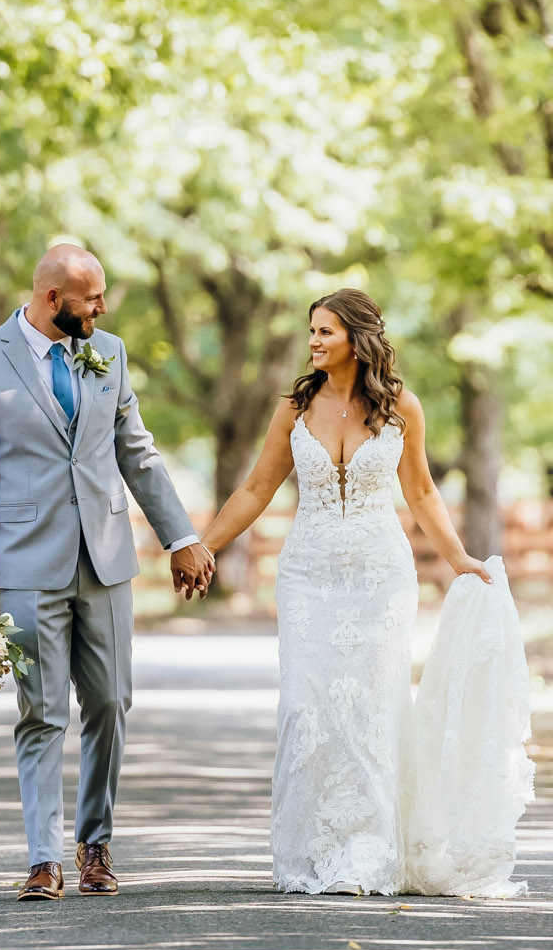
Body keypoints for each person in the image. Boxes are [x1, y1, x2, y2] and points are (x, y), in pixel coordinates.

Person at [0, 244, 216, 901]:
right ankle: (41, 857)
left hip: (107, 556)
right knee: (42, 710)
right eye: (93, 298)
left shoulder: (107, 352)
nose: (104, 308)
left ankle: (96, 842)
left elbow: (136, 451)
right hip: (29, 562)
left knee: (111, 701)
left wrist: (181, 536)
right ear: (54, 300)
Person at [196, 288, 500, 895]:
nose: (313, 342)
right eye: (311, 331)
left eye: (325, 332)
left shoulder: (401, 408)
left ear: (358, 340)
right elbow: (257, 489)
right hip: (307, 577)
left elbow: (421, 493)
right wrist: (206, 545)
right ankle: (314, 848)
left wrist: (458, 557)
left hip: (380, 578)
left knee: (374, 706)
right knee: (307, 708)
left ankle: (371, 848)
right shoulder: (293, 409)